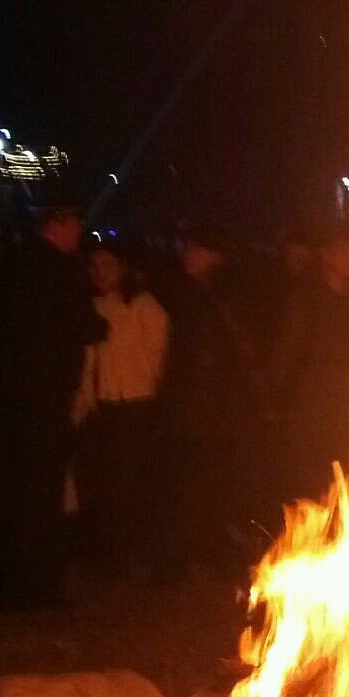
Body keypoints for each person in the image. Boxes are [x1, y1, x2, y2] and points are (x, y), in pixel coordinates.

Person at [0, 204, 104, 607]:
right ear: (59, 224)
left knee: (13, 487)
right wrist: (100, 325)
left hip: (9, 397)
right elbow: (83, 325)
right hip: (48, 399)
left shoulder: (11, 265)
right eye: (76, 224)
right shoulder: (65, 272)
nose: (80, 233)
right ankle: (39, 584)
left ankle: (6, 582)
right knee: (44, 490)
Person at [159, 226, 258, 574]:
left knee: (209, 482)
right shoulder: (191, 291)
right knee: (190, 481)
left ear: (212, 255)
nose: (187, 254)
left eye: (195, 248)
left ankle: (211, 552)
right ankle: (192, 552)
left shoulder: (222, 295)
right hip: (193, 405)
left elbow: (240, 350)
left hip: (212, 408)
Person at [75, 242, 171, 574]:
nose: (100, 272)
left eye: (107, 265)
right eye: (94, 266)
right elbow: (89, 362)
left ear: (122, 267)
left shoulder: (144, 306)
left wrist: (150, 392)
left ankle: (132, 553)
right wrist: (86, 401)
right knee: (105, 482)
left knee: (130, 482)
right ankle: (108, 553)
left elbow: (157, 356)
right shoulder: (93, 306)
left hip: (136, 406)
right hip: (104, 406)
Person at [274, 233, 349, 503]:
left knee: (344, 491)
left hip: (346, 415)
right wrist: (279, 404)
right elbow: (286, 354)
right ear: (327, 255)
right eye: (345, 250)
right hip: (311, 414)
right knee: (311, 492)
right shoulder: (307, 301)